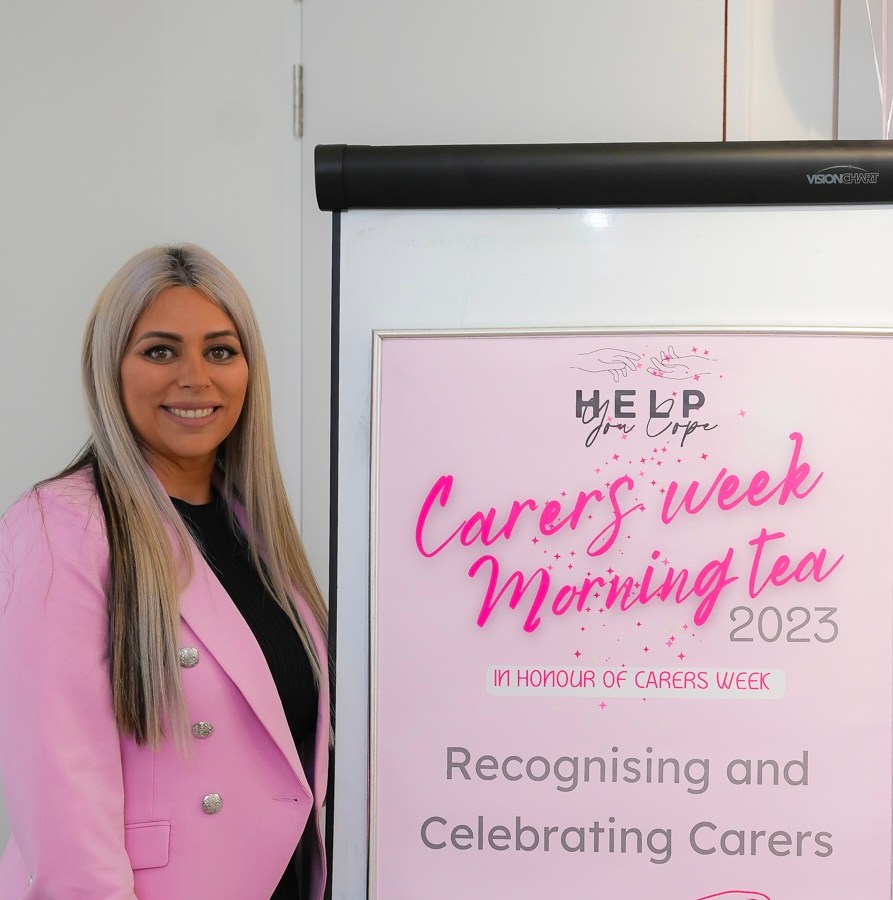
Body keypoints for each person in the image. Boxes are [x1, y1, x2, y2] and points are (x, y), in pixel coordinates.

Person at [0, 245, 329, 899]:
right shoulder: (61, 527)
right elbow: (61, 800)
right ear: (111, 369)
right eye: (159, 351)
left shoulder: (260, 535)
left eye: (220, 350)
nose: (194, 378)